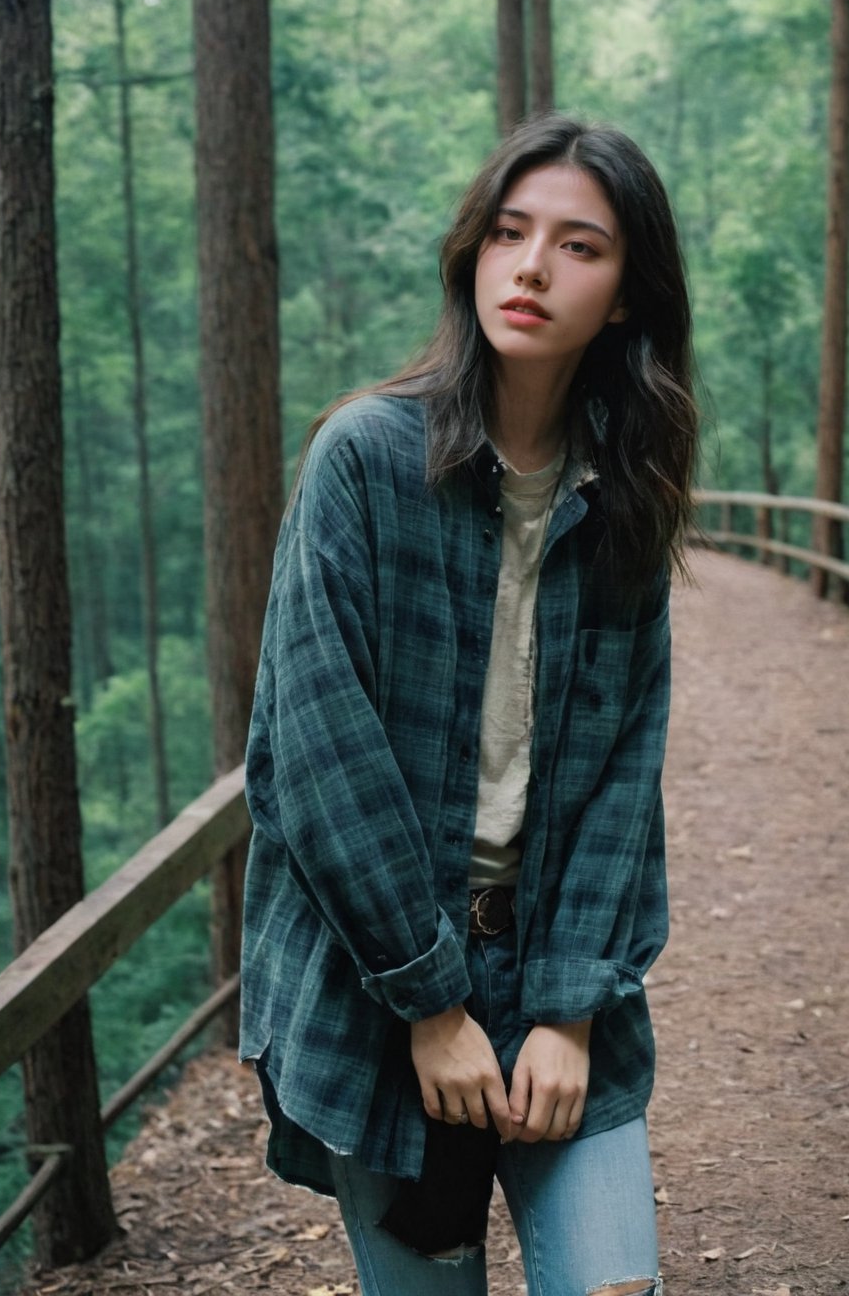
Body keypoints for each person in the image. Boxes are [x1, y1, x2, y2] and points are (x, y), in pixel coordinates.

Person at [239, 114, 697, 1296]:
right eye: (508, 231)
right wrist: (429, 1002)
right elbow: (314, 752)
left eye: (578, 246)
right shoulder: (366, 459)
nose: (532, 266)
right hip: (382, 984)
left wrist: (570, 1008)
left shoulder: (626, 501)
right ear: (473, 253)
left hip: (551, 965)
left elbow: (618, 775)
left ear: (628, 295)